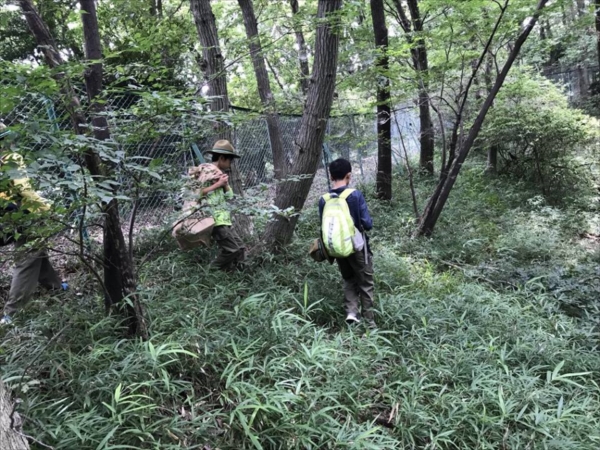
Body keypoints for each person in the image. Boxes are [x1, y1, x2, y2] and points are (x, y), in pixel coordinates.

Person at [0, 123, 66, 325]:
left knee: (36, 251)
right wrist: (47, 207)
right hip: (24, 213)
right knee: (28, 259)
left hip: (5, 217)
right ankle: (13, 313)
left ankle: (55, 286)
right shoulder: (11, 159)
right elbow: (25, 190)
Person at [318, 158, 374, 327]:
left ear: (331, 175)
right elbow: (367, 224)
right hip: (357, 246)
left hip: (337, 247)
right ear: (348, 175)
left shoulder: (324, 199)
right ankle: (370, 323)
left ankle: (351, 313)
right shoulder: (354, 195)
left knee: (349, 280)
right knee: (366, 283)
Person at [184, 139, 245, 271]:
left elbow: (229, 196)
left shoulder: (220, 173)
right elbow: (197, 194)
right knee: (232, 249)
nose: (231, 164)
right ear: (222, 158)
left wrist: (225, 184)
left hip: (224, 219)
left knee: (240, 248)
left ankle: (234, 274)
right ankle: (210, 271)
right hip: (215, 220)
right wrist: (217, 184)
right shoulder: (205, 172)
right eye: (230, 160)